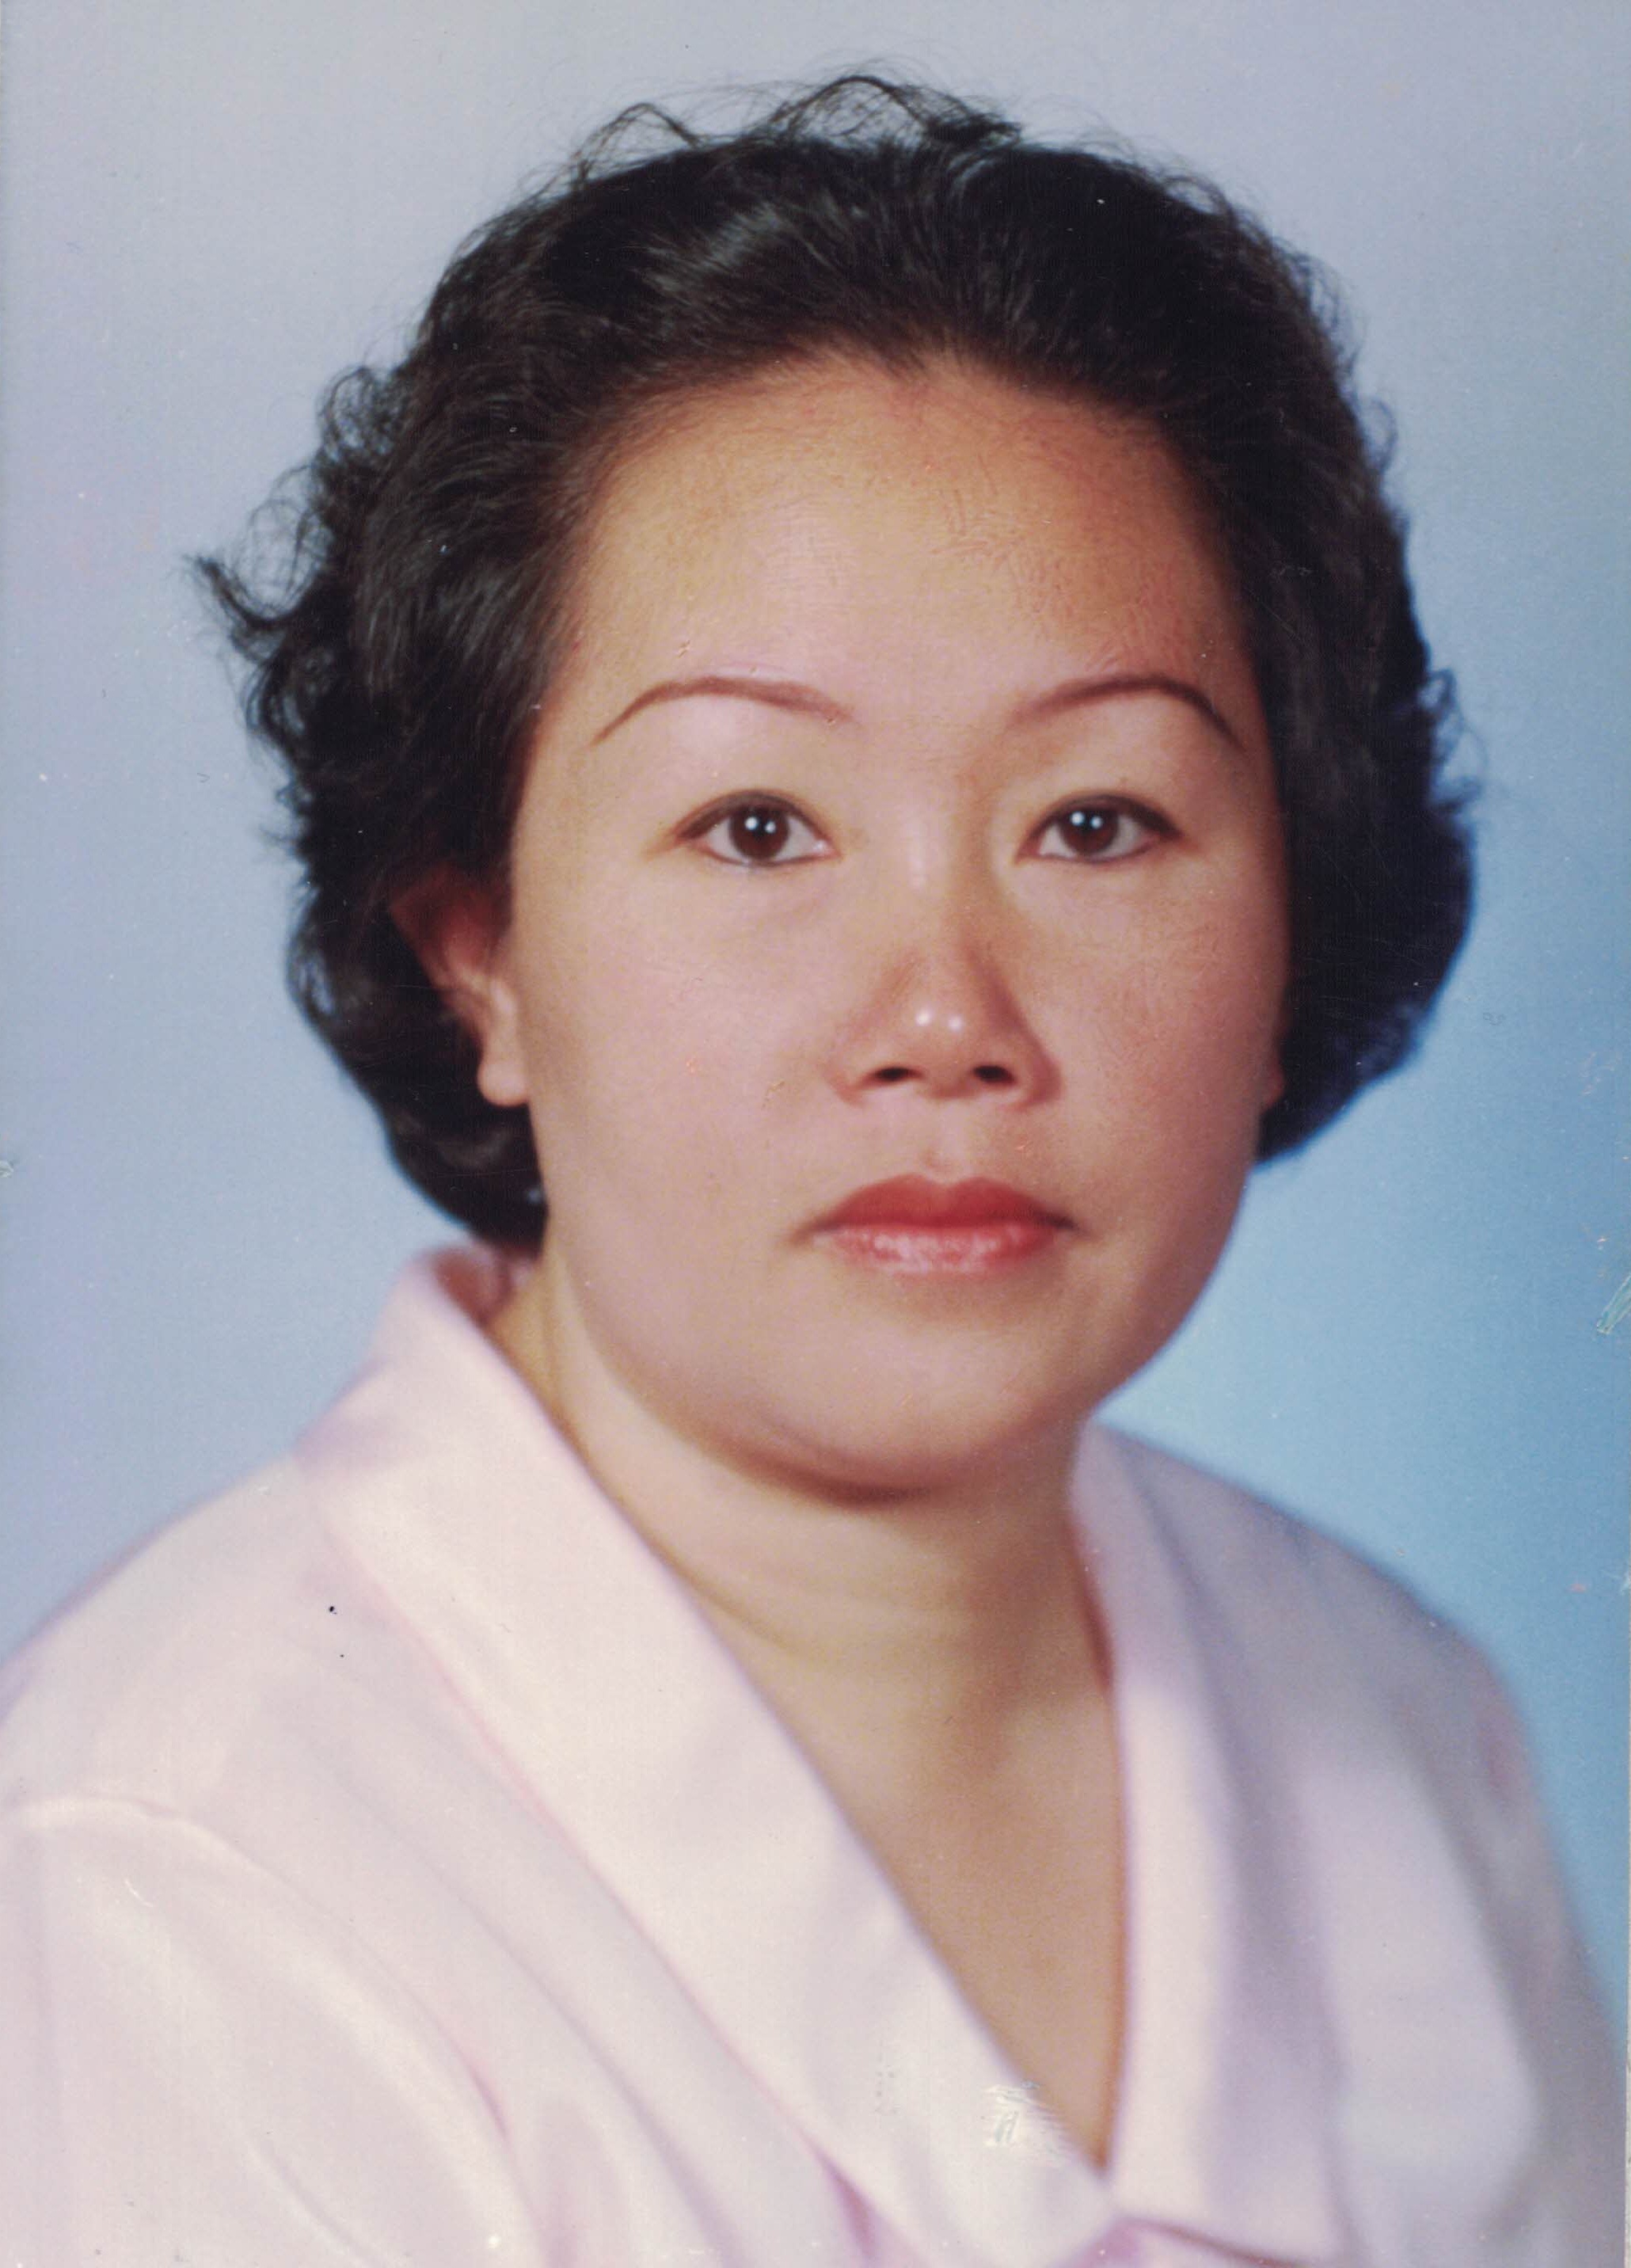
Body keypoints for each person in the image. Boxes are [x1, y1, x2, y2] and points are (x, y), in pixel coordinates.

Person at [0, 78, 1615, 2267]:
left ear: (1292, 921)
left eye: (1096, 822)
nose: (944, 1015)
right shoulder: (172, 1885)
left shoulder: (1406, 1729)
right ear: (480, 953)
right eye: (757, 828)